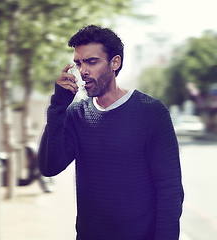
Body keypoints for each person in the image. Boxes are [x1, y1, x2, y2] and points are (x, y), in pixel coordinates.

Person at [38, 25, 184, 240]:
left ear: (114, 63)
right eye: (78, 63)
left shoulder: (151, 112)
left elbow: (170, 190)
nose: (83, 71)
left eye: (92, 61)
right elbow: (49, 167)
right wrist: (58, 106)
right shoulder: (76, 114)